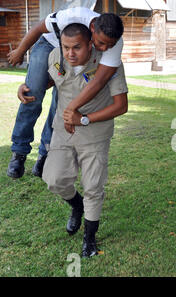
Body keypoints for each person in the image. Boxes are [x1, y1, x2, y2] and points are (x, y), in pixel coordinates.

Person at [40, 23, 128, 258]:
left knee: (93, 186)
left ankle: (89, 239)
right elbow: (54, 80)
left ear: (90, 44)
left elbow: (121, 106)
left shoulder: (109, 64)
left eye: (77, 47)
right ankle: (76, 205)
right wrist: (29, 87)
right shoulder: (56, 55)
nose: (70, 54)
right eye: (66, 47)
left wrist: (85, 119)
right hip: (63, 129)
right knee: (54, 178)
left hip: (94, 133)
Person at [7, 7, 124, 179]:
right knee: (31, 96)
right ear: (93, 30)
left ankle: (44, 154)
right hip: (49, 44)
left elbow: (98, 81)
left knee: (60, 102)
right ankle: (19, 152)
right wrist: (20, 51)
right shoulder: (71, 17)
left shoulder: (114, 43)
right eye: (101, 43)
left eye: (110, 45)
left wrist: (71, 107)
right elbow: (39, 28)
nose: (105, 48)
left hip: (78, 52)